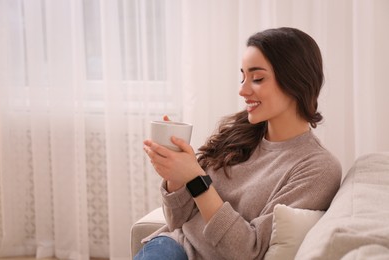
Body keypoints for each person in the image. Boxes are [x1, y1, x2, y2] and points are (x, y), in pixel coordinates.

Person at [137, 27, 342, 260]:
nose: (242, 90)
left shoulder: (317, 168)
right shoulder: (239, 132)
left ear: (295, 81)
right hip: (174, 249)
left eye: (257, 78)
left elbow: (248, 251)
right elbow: (177, 221)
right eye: (242, 77)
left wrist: (196, 180)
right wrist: (176, 177)